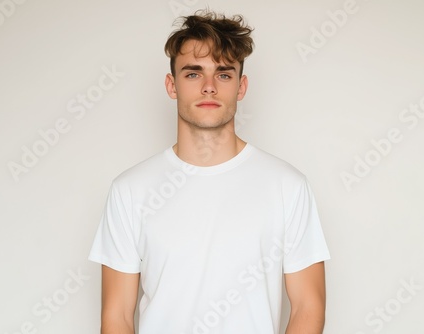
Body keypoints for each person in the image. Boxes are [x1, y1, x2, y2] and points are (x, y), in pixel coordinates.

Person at [89, 10, 330, 334]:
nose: (209, 87)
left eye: (224, 74)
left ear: (241, 86)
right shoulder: (130, 190)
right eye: (193, 74)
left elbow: (308, 307)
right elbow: (116, 315)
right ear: (171, 85)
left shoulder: (287, 186)